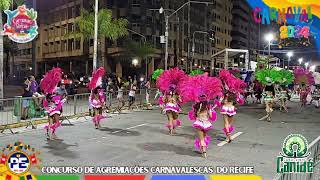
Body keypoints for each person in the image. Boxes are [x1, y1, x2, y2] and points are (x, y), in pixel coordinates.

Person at [156, 68, 187, 135]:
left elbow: (163, 100)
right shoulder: (177, 93)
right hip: (175, 106)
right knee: (175, 118)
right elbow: (181, 100)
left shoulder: (166, 93)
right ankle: (174, 130)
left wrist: (162, 105)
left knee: (170, 119)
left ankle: (171, 131)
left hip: (168, 106)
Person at [40, 68, 64, 140]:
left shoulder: (55, 86)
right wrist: (51, 101)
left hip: (56, 104)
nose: (58, 79)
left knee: (56, 121)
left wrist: (57, 97)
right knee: (52, 120)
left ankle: (51, 132)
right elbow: (47, 95)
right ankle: (51, 134)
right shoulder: (49, 87)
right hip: (50, 105)